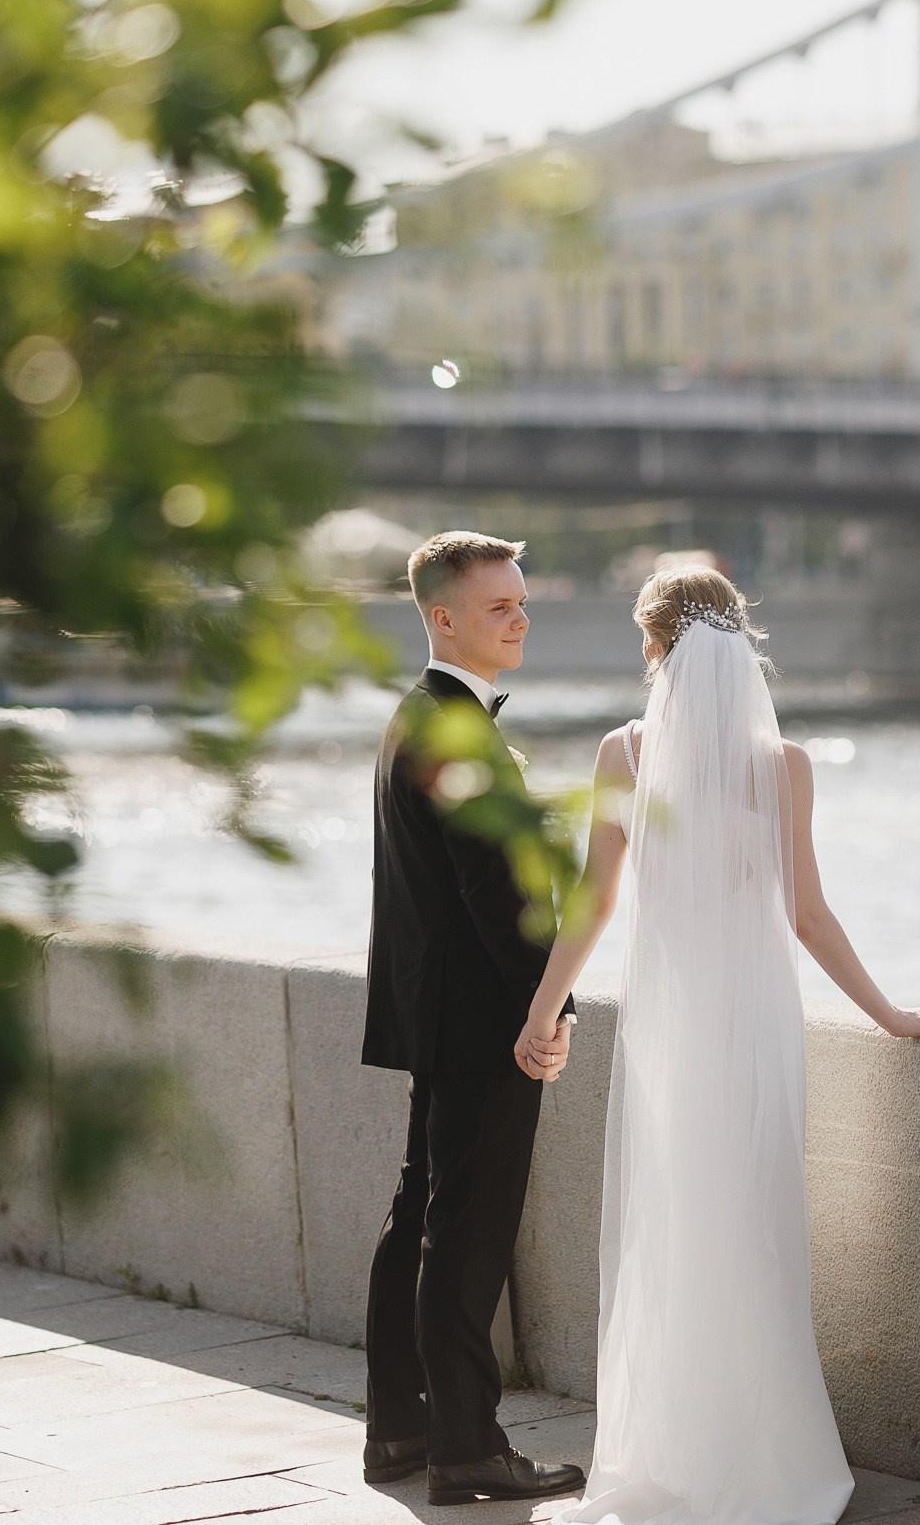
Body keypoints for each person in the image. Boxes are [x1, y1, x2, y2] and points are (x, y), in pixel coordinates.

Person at [526, 564, 920, 1525]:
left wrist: (542, 1009)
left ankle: (674, 1452)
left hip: (666, 1026)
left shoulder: (625, 752)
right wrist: (891, 1016)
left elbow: (596, 901)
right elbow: (808, 916)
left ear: (655, 650)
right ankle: (764, 1458)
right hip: (757, 1030)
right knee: (752, 1230)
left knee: (672, 1227)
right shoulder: (784, 766)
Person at [361, 531, 586, 1506]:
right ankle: (467, 1447)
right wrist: (548, 1009)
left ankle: (401, 1431)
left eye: (523, 601)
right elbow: (497, 894)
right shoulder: (453, 730)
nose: (522, 618)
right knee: (466, 1230)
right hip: (486, 1019)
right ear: (443, 617)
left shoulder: (420, 717)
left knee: (418, 1214)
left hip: (437, 1012)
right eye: (501, 607)